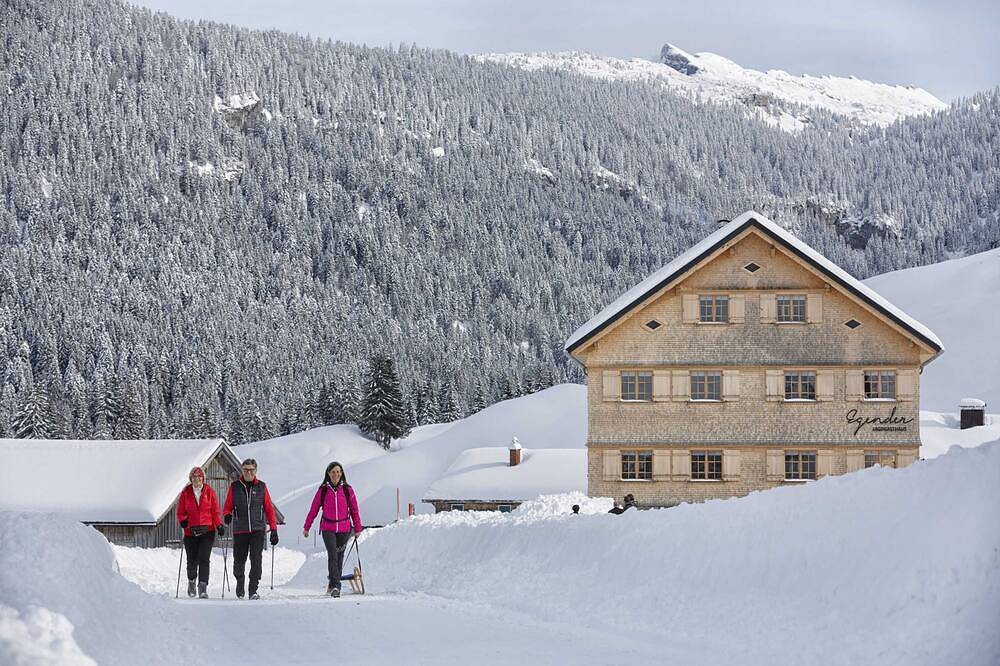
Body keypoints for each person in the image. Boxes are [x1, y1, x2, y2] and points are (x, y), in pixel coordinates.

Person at [302, 461, 363, 597]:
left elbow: (354, 510)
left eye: (338, 472)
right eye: (333, 472)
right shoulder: (323, 490)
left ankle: (333, 581)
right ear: (328, 474)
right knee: (333, 555)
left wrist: (357, 528)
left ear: (341, 473)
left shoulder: (348, 490)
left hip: (344, 528)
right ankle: (336, 586)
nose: (336, 474)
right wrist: (307, 527)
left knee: (339, 557)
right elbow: (314, 509)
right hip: (328, 528)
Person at [223, 458, 278, 600]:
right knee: (239, 561)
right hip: (240, 529)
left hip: (257, 529)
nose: (248, 472)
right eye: (246, 469)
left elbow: (269, 509)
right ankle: (240, 582)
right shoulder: (235, 486)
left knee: (256, 560)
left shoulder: (261, 487)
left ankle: (253, 589)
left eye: (251, 470)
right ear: (242, 470)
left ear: (256, 471)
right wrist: (227, 515)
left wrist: (274, 529)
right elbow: (228, 505)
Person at [176, 466, 223, 598]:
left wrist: (219, 524)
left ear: (203, 478)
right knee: (192, 561)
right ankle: (191, 581)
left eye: (199, 477)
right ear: (191, 479)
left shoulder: (209, 492)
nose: (197, 480)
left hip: (207, 530)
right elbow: (180, 512)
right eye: (194, 478)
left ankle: (203, 587)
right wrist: (183, 520)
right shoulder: (185, 493)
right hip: (190, 532)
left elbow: (215, 511)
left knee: (204, 558)